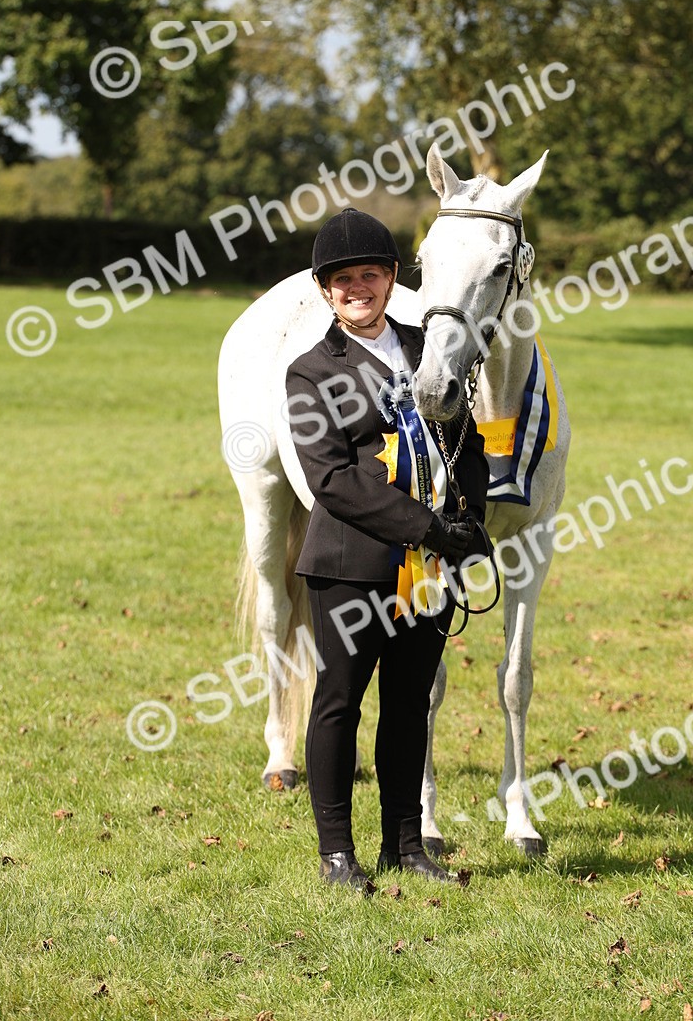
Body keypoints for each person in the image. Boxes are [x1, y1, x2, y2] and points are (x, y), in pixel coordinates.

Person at [285, 206, 489, 891]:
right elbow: (332, 481)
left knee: (409, 705)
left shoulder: (432, 349)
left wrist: (471, 523)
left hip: (429, 574)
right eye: (342, 280)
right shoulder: (310, 373)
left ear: (392, 278)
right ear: (326, 291)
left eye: (368, 275)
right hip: (350, 567)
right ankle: (337, 855)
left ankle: (406, 845)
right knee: (339, 703)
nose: (357, 288)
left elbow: (469, 442)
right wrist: (427, 528)